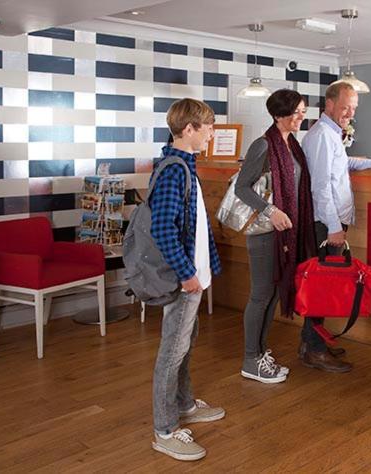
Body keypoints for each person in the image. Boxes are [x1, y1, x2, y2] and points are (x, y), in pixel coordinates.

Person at [301, 81, 371, 372]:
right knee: (321, 287)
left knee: (324, 285)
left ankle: (311, 343)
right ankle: (314, 350)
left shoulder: (331, 134)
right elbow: (320, 188)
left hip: (332, 222)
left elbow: (342, 164)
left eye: (353, 108)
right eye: (345, 107)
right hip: (325, 223)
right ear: (329, 104)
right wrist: (334, 227)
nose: (349, 113)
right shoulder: (321, 135)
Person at [150, 98, 224, 461]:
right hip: (185, 278)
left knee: (185, 343)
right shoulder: (174, 169)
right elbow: (163, 229)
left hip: (194, 275)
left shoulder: (185, 165)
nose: (212, 133)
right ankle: (164, 429)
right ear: (190, 129)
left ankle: (184, 404)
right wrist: (186, 274)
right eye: (208, 127)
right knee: (172, 351)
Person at [234, 89, 315, 384]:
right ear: (280, 114)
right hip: (266, 233)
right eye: (297, 112)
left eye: (303, 112)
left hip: (283, 234)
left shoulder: (292, 145)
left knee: (269, 295)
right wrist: (271, 211)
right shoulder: (263, 145)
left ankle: (259, 353)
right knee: (260, 295)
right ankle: (249, 359)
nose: (301, 117)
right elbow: (241, 188)